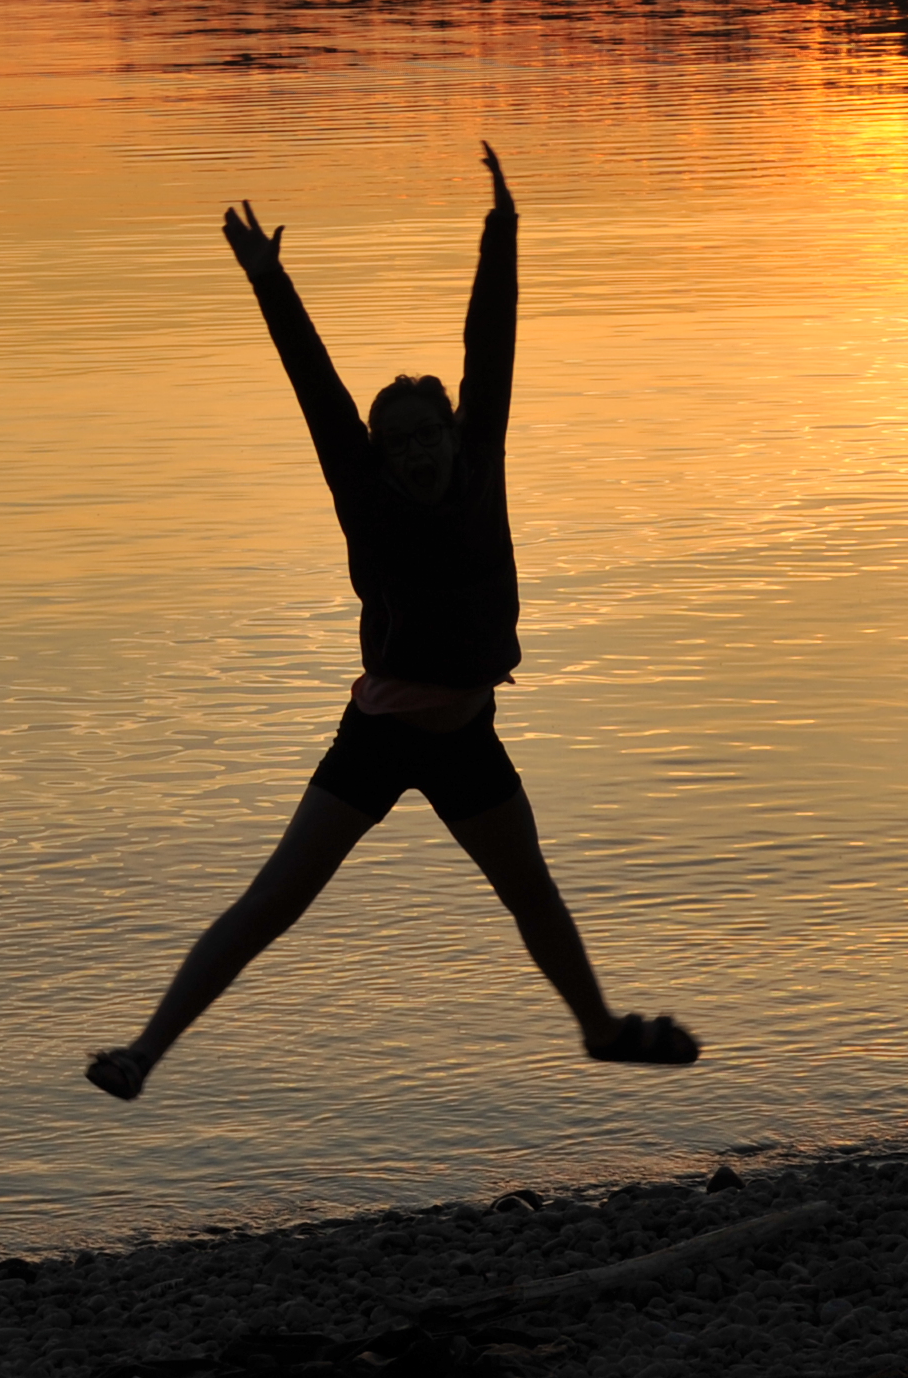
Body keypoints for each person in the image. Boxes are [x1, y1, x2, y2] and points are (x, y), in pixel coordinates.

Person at [86, 143, 698, 1101]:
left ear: (455, 436)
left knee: (529, 891)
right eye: (397, 443)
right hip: (378, 735)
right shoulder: (363, 491)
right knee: (275, 900)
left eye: (427, 437)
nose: (414, 455)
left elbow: (489, 347)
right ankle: (144, 1053)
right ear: (380, 454)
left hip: (464, 736)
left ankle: (602, 1030)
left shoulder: (479, 460)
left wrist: (502, 231)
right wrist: (270, 280)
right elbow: (315, 385)